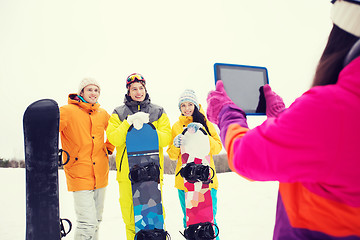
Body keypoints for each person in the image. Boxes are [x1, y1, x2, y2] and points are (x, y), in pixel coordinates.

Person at [207, 0, 360, 239]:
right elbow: (327, 154)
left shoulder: (332, 108)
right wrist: (285, 118)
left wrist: (227, 113)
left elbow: (245, 155)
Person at [106, 73, 172, 240]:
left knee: (154, 217)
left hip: (152, 174)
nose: (138, 92)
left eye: (140, 88)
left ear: (145, 89)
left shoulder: (158, 111)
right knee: (131, 218)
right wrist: (128, 122)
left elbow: (165, 139)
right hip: (128, 176)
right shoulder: (118, 113)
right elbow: (114, 138)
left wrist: (147, 127)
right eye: (133, 88)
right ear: (128, 91)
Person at [59, 78, 115, 240]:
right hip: (79, 172)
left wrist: (108, 148)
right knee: (86, 223)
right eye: (89, 89)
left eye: (96, 90)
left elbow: (113, 131)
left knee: (96, 220)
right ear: (81, 92)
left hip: (101, 173)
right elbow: (50, 129)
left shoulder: (102, 113)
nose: (93, 93)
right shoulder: (67, 111)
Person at [167, 89, 222, 239]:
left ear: (195, 105)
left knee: (208, 220)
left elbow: (217, 147)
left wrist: (204, 133)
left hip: (206, 181)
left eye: (190, 104)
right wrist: (176, 144)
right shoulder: (176, 127)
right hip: (185, 183)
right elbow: (172, 155)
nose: (187, 108)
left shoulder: (206, 123)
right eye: (183, 105)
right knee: (189, 220)